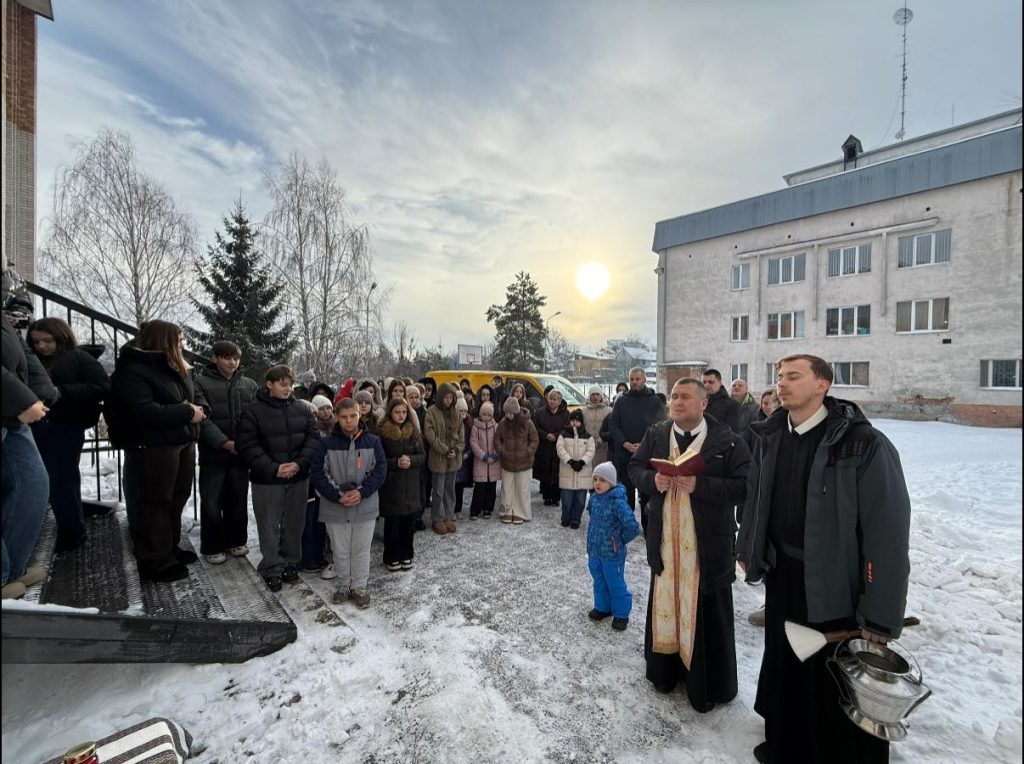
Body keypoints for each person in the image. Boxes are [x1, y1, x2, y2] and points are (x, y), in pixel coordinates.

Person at [737, 355, 911, 764]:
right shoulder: (771, 435)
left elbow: (887, 534)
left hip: (836, 584)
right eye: (779, 377)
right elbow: (757, 499)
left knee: (829, 679)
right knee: (788, 666)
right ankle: (787, 746)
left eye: (794, 376)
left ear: (823, 384)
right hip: (783, 576)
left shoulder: (861, 444)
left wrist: (881, 615)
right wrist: (750, 547)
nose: (782, 384)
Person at [629, 377, 750, 713]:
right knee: (667, 606)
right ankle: (665, 673)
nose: (677, 402)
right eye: (673, 396)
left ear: (703, 403)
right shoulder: (656, 435)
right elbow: (634, 468)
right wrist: (652, 480)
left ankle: (706, 685)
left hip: (707, 548)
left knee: (707, 614)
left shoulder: (727, 441)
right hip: (667, 544)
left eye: (685, 396)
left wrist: (701, 485)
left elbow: (744, 485)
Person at [107, 320, 207, 582]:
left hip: (182, 440)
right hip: (154, 446)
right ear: (164, 341)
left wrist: (200, 407)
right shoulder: (133, 371)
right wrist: (187, 411)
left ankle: (170, 548)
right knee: (156, 501)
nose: (183, 344)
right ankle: (154, 559)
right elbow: (143, 412)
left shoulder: (175, 367)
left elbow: (194, 393)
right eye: (179, 339)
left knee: (178, 495)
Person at [26, 317, 110, 554]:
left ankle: (73, 530)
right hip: (38, 425)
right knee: (51, 478)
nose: (42, 346)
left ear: (60, 337)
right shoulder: (34, 359)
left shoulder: (78, 358)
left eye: (47, 341)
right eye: (36, 342)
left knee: (62, 479)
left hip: (66, 425)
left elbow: (102, 387)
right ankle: (68, 522)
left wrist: (61, 392)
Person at [236, 365, 319, 592]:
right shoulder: (253, 412)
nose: (288, 388)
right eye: (283, 384)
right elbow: (248, 445)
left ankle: (290, 562)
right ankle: (271, 567)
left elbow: (313, 438)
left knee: (294, 522)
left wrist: (299, 463)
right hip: (268, 479)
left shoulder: (302, 408)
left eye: (290, 384)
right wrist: (274, 468)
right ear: (269, 384)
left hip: (298, 476)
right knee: (269, 525)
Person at [2, 261, 59, 598]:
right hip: (10, 406)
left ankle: (15, 568)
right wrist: (22, 399)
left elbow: (21, 354)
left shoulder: (8, 311)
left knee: (34, 484)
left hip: (12, 415)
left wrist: (45, 391)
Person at [310, 398, 386, 608]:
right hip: (335, 507)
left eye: (353, 416)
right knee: (340, 548)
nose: (349, 421)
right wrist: (337, 495)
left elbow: (379, 471)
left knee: (361, 548)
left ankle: (359, 586)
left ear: (359, 415)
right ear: (337, 416)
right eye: (344, 417)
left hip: (365, 505)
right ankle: (343, 584)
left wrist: (361, 492)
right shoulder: (326, 444)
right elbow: (318, 473)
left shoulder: (373, 442)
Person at [194, 341, 258, 565]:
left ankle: (236, 540)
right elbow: (202, 418)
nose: (232, 362)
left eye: (236, 358)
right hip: (214, 454)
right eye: (226, 357)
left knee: (238, 498)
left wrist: (245, 442)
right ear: (215, 358)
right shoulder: (200, 383)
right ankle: (212, 545)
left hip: (240, 453)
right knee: (212, 500)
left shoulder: (248, 385)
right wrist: (223, 442)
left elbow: (255, 417)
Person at [586, 462, 641, 631]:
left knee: (615, 583)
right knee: (599, 580)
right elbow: (591, 515)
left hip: (612, 553)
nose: (597, 483)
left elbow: (632, 527)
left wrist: (618, 541)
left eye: (602, 480)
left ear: (611, 482)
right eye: (595, 479)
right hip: (595, 551)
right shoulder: (594, 499)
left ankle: (621, 614)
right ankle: (603, 607)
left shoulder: (618, 502)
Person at [607, 367, 664, 524]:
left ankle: (648, 527)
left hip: (647, 456)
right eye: (631, 379)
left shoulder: (655, 401)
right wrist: (624, 442)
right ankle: (627, 523)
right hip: (624, 454)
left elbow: (661, 425)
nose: (634, 382)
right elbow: (614, 425)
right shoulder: (622, 401)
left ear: (644, 379)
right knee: (626, 492)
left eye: (637, 379)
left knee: (646, 494)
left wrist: (643, 445)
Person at [376, 397, 424, 571]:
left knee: (408, 526)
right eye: (397, 412)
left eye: (404, 412)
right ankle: (391, 556)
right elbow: (378, 460)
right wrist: (395, 463)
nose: (401, 415)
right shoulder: (383, 433)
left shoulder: (413, 431)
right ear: (390, 412)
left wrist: (411, 460)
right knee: (393, 526)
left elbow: (422, 456)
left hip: (410, 486)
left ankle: (406, 554)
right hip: (392, 487)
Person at [424, 382, 464, 535]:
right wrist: (445, 449)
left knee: (450, 490)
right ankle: (438, 519)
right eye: (446, 398)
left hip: (453, 459)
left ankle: (448, 516)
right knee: (438, 491)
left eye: (451, 398)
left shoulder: (456, 413)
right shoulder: (431, 412)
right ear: (440, 397)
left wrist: (456, 449)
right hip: (438, 458)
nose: (448, 401)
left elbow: (461, 436)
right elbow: (430, 435)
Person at [494, 397, 539, 525]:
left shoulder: (527, 422)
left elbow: (534, 439)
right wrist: (502, 451)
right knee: (507, 488)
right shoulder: (503, 423)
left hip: (524, 462)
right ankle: (506, 511)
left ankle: (520, 512)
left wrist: (528, 452)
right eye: (506, 412)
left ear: (516, 411)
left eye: (510, 413)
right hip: (507, 461)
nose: (508, 415)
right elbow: (497, 439)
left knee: (522, 488)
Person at [556, 409, 595, 529]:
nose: (574, 423)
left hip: (583, 473)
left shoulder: (588, 437)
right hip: (567, 472)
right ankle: (566, 517)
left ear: (581, 423)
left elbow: (591, 451)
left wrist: (582, 462)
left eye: (577, 421)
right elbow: (560, 449)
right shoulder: (563, 435)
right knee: (566, 500)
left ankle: (576, 519)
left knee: (580, 501)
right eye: (572, 420)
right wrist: (570, 461)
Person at [533, 389, 570, 506]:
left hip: (558, 446)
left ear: (559, 401)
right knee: (545, 471)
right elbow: (535, 427)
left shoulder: (566, 414)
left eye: (555, 399)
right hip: (544, 446)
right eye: (550, 398)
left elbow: (568, 428)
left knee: (557, 472)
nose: (552, 401)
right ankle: (547, 496)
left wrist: (556, 435)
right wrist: (546, 435)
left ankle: (556, 497)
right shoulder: (540, 412)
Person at [468, 401, 500, 519]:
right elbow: (474, 443)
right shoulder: (475, 427)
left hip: (494, 462)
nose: (486, 417)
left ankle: (488, 509)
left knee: (491, 488)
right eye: (484, 414)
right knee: (479, 488)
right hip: (481, 462)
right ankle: (475, 510)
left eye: (488, 415)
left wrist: (495, 455)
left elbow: (499, 442)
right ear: (480, 414)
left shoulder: (495, 427)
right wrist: (484, 456)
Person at [406, 384, 430, 530]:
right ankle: (411, 517)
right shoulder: (404, 413)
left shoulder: (425, 413)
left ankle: (419, 517)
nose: (414, 400)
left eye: (416, 397)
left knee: (422, 489)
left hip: (422, 454)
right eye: (411, 397)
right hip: (408, 455)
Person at [453, 396, 474, 517]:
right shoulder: (454, 424)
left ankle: (458, 509)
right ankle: (452, 509)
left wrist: (468, 453)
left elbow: (472, 440)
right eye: (461, 411)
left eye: (465, 411)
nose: (463, 414)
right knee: (452, 487)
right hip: (455, 457)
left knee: (460, 487)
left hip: (465, 460)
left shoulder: (469, 424)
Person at [582, 385, 612, 467]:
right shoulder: (584, 411)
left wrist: (601, 440)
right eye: (593, 394)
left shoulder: (609, 411)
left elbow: (611, 428)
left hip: (603, 446)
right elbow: (581, 428)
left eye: (597, 394)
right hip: (587, 445)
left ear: (601, 396)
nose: (595, 397)